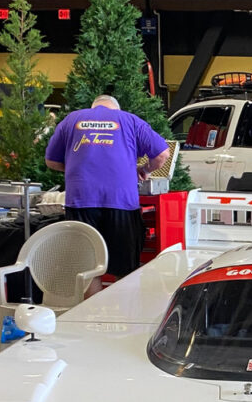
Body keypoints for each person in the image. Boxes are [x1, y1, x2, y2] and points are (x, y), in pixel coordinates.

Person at [45, 95, 169, 285]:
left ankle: (90, 313)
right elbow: (162, 154)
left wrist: (74, 167)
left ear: (93, 106)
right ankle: (124, 312)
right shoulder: (130, 120)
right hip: (122, 204)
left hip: (81, 202)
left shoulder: (71, 120)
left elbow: (51, 161)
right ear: (116, 109)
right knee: (125, 269)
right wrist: (142, 170)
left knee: (87, 268)